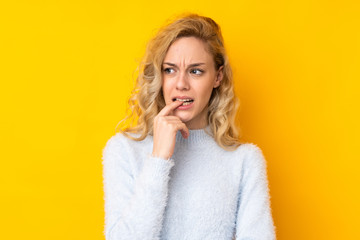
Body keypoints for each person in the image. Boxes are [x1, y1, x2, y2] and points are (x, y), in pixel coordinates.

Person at [102, 14, 276, 240]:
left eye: (195, 71)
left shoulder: (244, 161)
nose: (181, 84)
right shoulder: (124, 150)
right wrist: (158, 160)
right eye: (170, 70)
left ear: (217, 77)